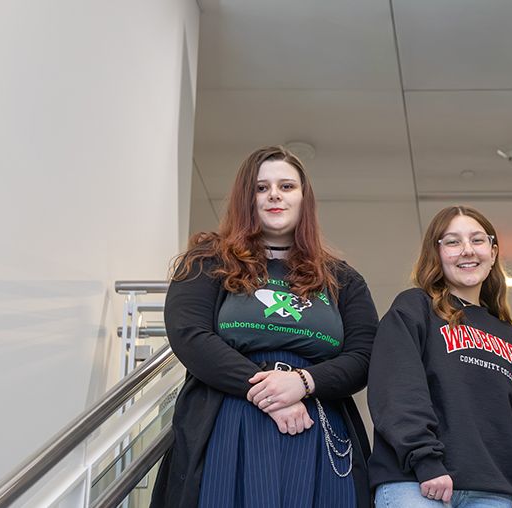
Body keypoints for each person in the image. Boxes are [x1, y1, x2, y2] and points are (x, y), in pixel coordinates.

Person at [151, 146, 379, 508]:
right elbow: (191, 337)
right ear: (246, 198)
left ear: (305, 199)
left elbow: (365, 355)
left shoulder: (342, 279)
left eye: (287, 186)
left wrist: (302, 383)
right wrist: (270, 393)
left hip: (318, 423)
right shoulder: (208, 262)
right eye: (261, 187)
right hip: (228, 418)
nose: (274, 194)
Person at [368, 205, 512, 508]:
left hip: (493, 492)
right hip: (417, 482)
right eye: (453, 242)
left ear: (493, 253)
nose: (467, 251)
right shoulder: (415, 307)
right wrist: (426, 461)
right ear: (437, 252)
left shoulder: (509, 336)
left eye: (478, 240)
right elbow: (397, 390)